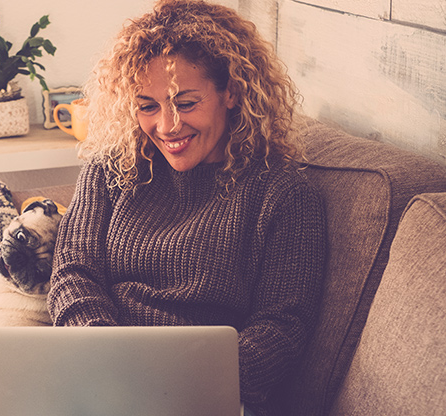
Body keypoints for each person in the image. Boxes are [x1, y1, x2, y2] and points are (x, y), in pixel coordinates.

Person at [47, 1, 327, 415]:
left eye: (187, 102)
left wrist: (182, 385)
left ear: (231, 91)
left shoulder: (283, 193)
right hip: (100, 376)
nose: (167, 126)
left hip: (204, 396)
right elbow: (73, 270)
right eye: (148, 106)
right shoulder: (112, 168)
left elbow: (281, 328)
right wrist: (102, 351)